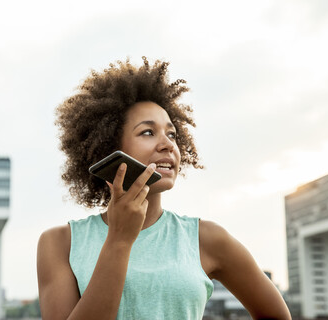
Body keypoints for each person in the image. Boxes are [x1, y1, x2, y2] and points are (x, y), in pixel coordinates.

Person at [37, 57, 291, 320]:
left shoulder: (205, 239)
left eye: (172, 134)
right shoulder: (60, 244)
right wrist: (120, 240)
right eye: (148, 132)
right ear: (109, 149)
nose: (168, 145)